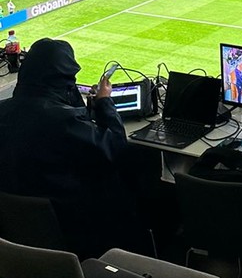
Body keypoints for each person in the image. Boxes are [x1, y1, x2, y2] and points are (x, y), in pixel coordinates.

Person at [0, 38, 148, 259]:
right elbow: (116, 148)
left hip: (19, 233)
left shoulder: (5, 112)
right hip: (76, 227)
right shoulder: (62, 122)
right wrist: (105, 102)